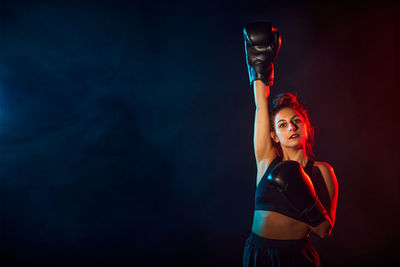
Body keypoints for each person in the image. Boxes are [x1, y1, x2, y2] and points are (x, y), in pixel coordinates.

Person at [242, 22, 339, 267]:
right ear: (274, 135)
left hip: (296, 258)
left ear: (306, 126)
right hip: (257, 255)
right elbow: (261, 106)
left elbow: (325, 231)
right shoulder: (266, 160)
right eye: (283, 125)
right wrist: (261, 66)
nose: (292, 127)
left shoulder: (322, 171)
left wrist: (302, 194)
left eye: (296, 121)